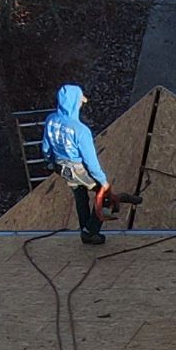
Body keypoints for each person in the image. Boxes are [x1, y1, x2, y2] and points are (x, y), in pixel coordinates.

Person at [42, 82, 110, 245]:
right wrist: (103, 180)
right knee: (104, 195)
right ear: (73, 103)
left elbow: (46, 146)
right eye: (80, 101)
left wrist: (49, 162)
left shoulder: (51, 120)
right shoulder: (80, 130)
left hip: (61, 167)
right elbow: (90, 161)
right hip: (77, 168)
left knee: (80, 196)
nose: (81, 104)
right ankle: (91, 230)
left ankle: (85, 230)